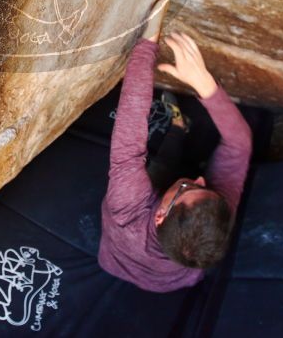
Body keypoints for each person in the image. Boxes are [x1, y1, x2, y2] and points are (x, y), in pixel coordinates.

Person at [97, 22, 253, 292]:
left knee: (163, 169)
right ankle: (178, 130)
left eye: (189, 187)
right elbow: (240, 146)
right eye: (206, 189)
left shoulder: (127, 211)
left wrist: (147, 44)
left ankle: (177, 131)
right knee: (180, 174)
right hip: (168, 283)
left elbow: (130, 131)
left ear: (159, 216)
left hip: (114, 259)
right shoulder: (217, 218)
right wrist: (205, 86)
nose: (201, 179)